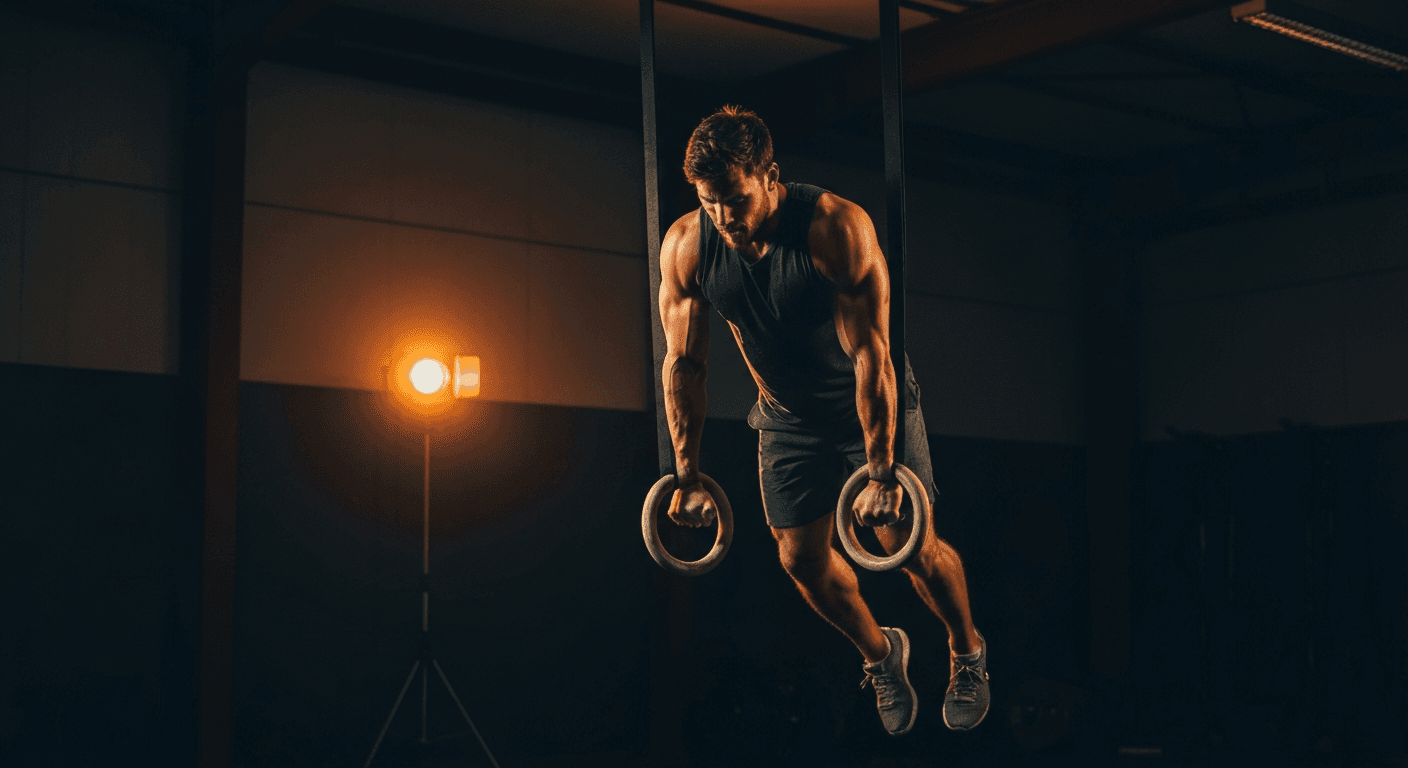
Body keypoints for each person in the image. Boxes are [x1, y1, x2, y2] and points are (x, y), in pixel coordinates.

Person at [658, 105, 989, 736]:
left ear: (770, 177)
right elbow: (684, 366)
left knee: (906, 546)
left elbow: (872, 356)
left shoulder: (834, 228)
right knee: (799, 560)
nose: (723, 216)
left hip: (868, 399)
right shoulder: (687, 246)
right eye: (708, 201)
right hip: (786, 419)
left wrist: (882, 470)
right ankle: (882, 655)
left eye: (735, 198)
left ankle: (967, 651)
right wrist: (686, 473)